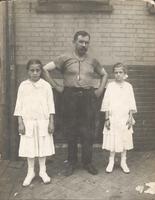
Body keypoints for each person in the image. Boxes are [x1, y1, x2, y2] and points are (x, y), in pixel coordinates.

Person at [43, 31, 108, 176]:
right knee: (71, 130)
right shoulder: (64, 57)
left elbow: (105, 74)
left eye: (86, 42)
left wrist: (98, 91)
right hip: (69, 97)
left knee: (88, 131)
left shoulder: (92, 60)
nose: (84, 45)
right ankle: (71, 162)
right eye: (81, 42)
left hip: (87, 97)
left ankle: (87, 162)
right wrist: (57, 87)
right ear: (74, 42)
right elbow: (45, 69)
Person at [14, 59, 55, 186]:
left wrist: (51, 122)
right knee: (30, 147)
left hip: (43, 121)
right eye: (32, 70)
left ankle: (43, 171)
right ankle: (30, 172)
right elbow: (19, 105)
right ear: (28, 71)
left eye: (37, 70)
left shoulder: (46, 86)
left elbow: (50, 105)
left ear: (41, 71)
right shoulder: (23, 86)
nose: (35, 73)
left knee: (42, 147)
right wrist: (20, 122)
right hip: (28, 122)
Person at [101, 63, 137, 173]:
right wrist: (107, 119)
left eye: (120, 72)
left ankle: (123, 161)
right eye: (116, 72)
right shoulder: (111, 86)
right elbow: (106, 103)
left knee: (124, 139)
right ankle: (111, 161)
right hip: (113, 117)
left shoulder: (128, 86)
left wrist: (130, 117)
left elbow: (131, 103)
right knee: (113, 139)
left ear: (124, 73)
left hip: (124, 118)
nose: (118, 74)